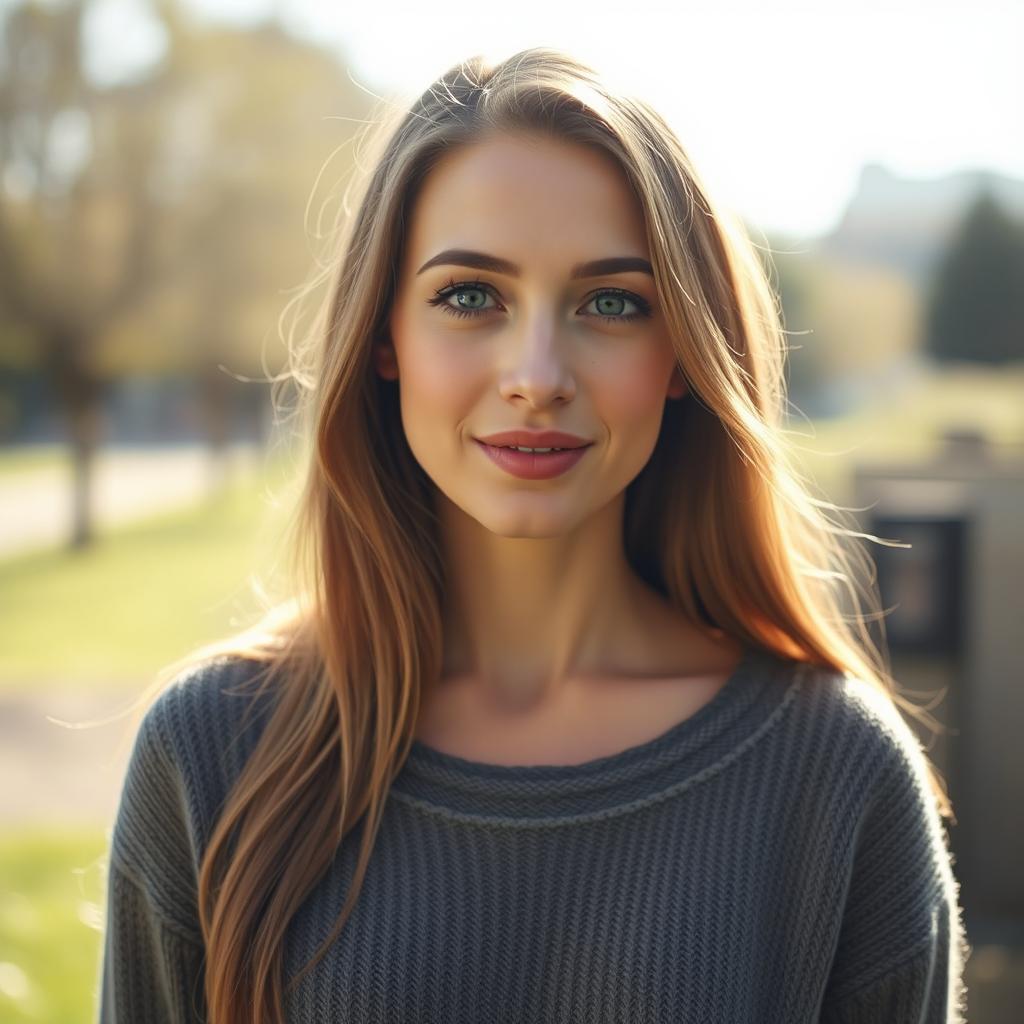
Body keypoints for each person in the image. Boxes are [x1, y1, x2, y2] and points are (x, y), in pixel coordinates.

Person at [96, 47, 970, 1024]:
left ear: (682, 350)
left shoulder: (834, 773)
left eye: (612, 302)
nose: (537, 372)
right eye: (470, 295)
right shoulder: (214, 747)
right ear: (385, 337)